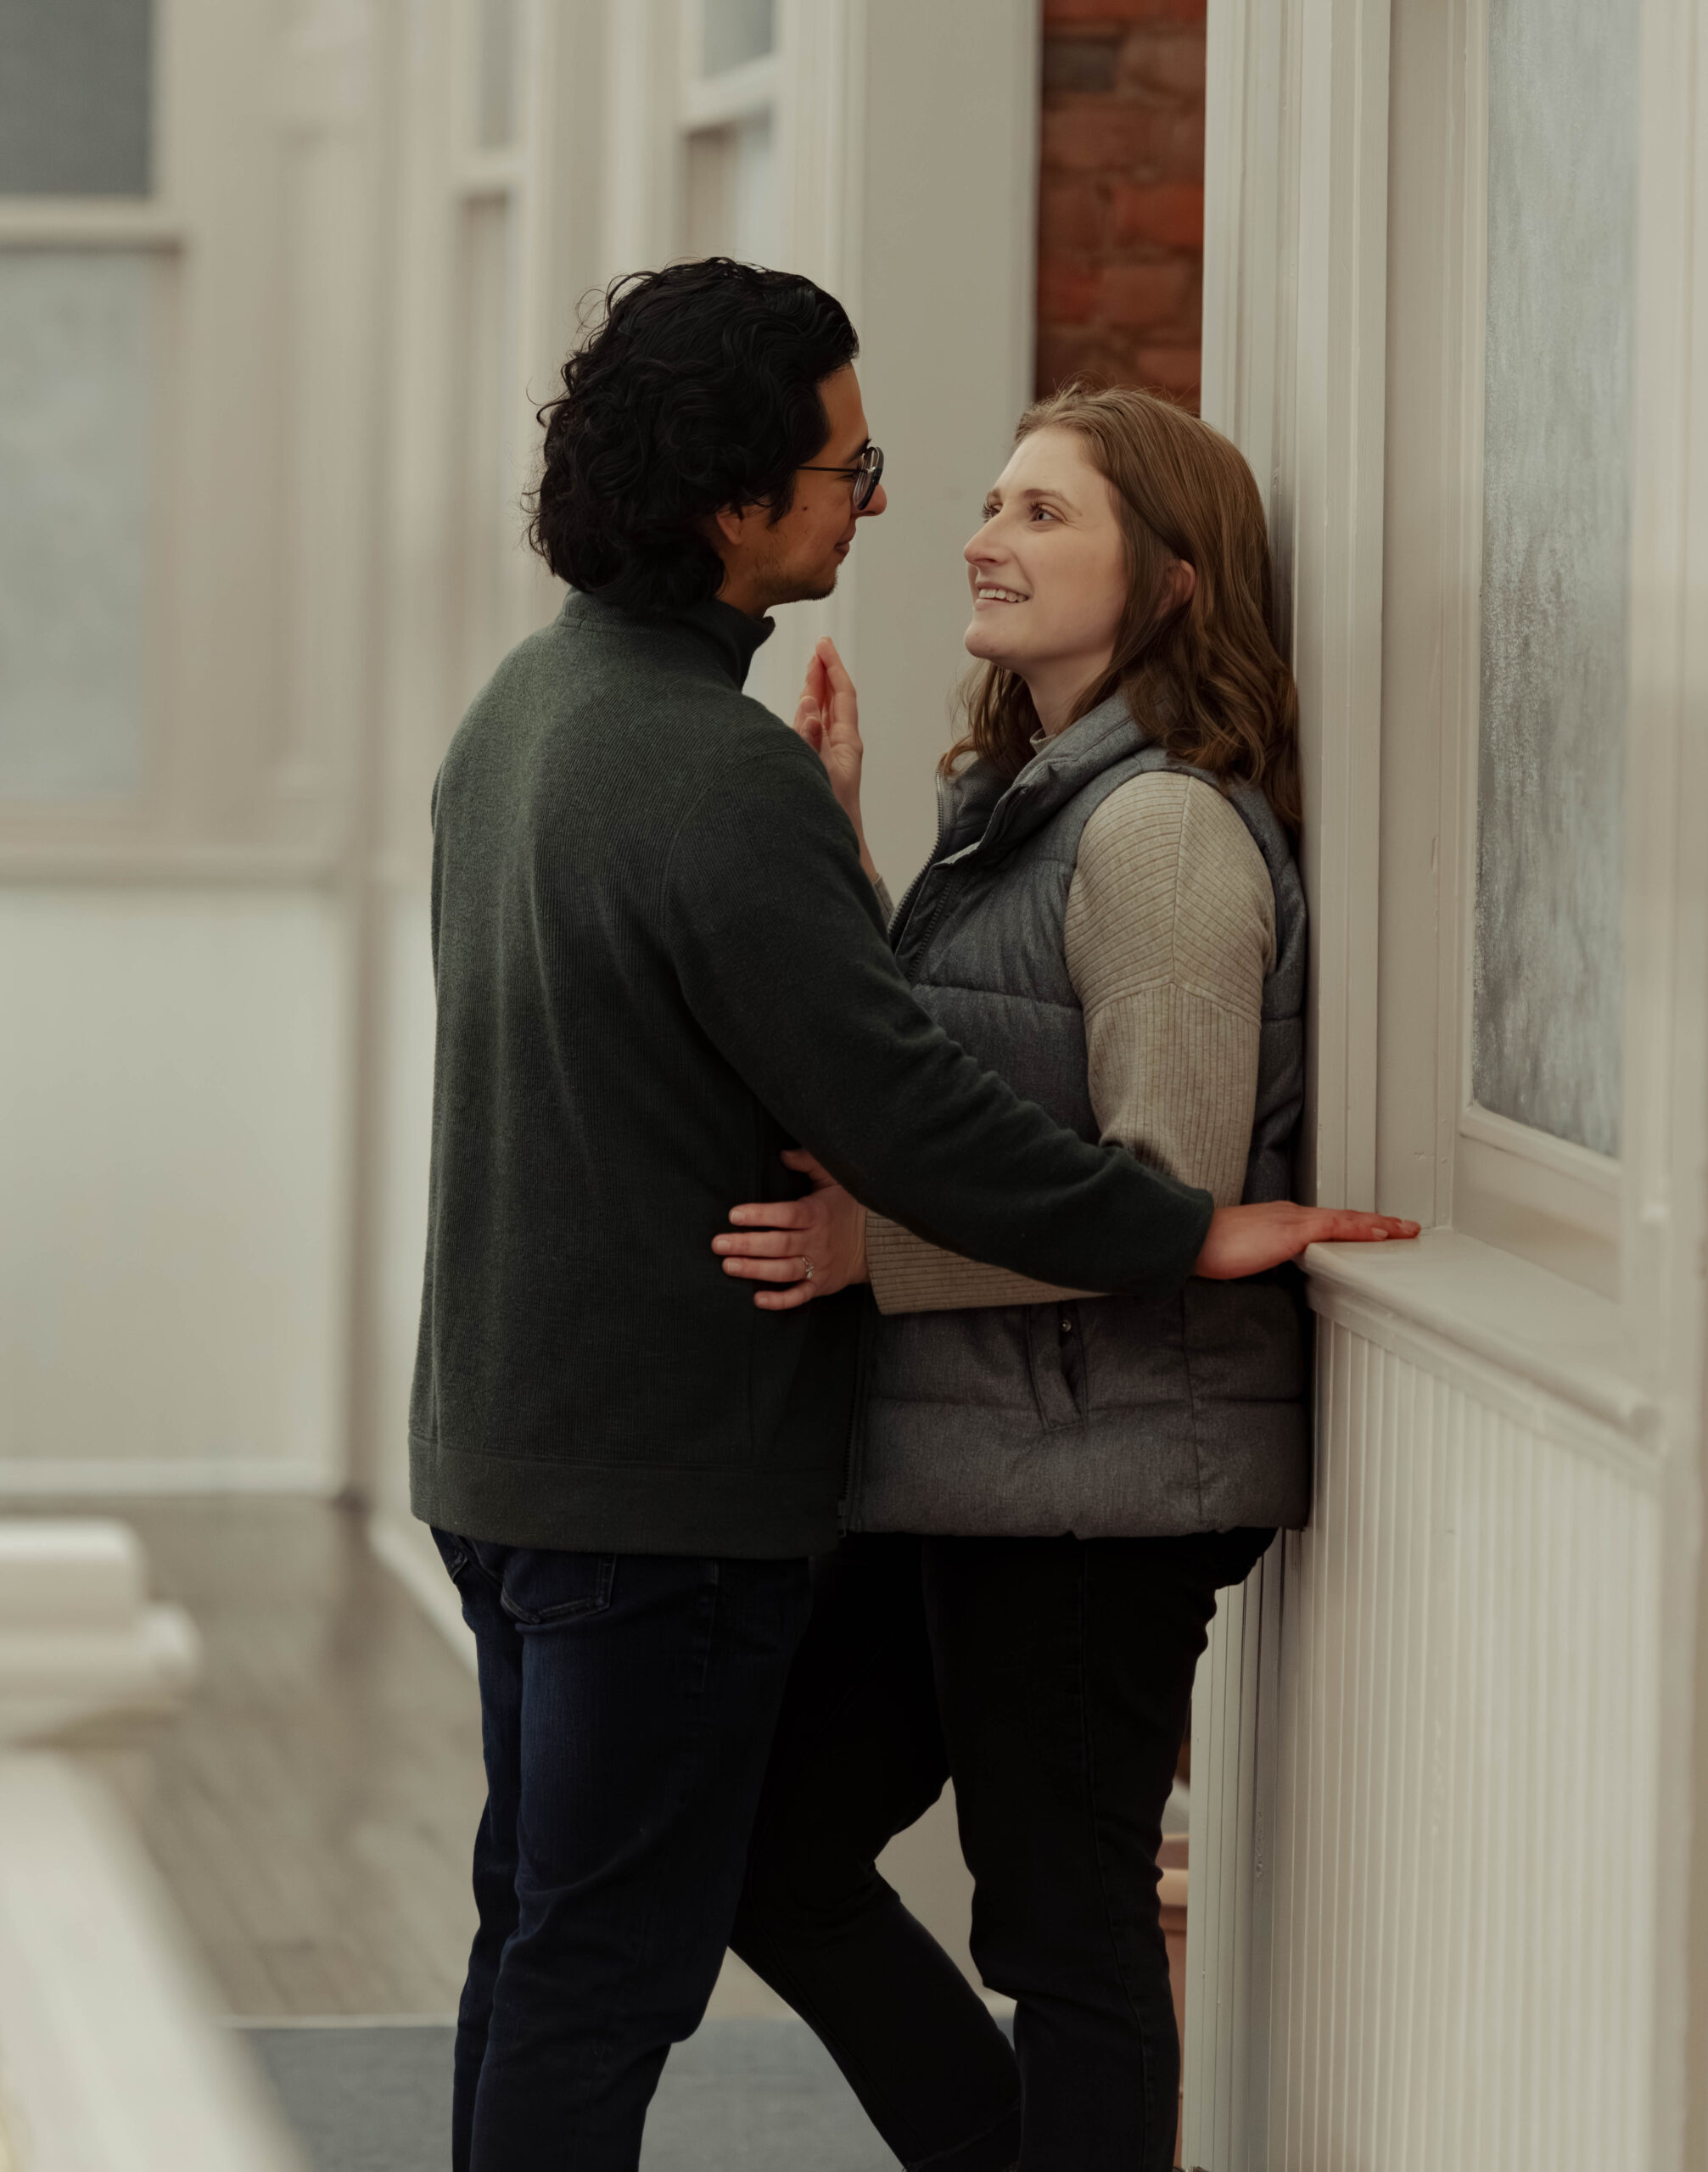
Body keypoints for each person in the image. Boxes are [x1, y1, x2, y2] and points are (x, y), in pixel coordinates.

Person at [412, 260, 1414, 2172]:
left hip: (591, 1452)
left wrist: (1132, 1217)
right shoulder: (755, 776)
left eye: (1035, 504)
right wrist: (1167, 1229)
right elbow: (895, 1091)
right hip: (676, 1479)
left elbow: (909, 1088)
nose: (910, 515)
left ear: (1170, 576)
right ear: (737, 501)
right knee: (605, 1962)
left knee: (567, 1941)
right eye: (865, 471)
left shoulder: (526, 709)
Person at [718, 385, 1346, 2172]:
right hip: (971, 1455)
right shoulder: (1014, 810)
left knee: (1065, 1929)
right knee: (772, 1841)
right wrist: (846, 846)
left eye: (1044, 514)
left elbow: (1162, 1193)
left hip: (1097, 1476)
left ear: (1169, 581)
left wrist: (867, 1248)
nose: (983, 535)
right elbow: (959, 1084)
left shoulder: (1158, 837)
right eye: (991, 502)